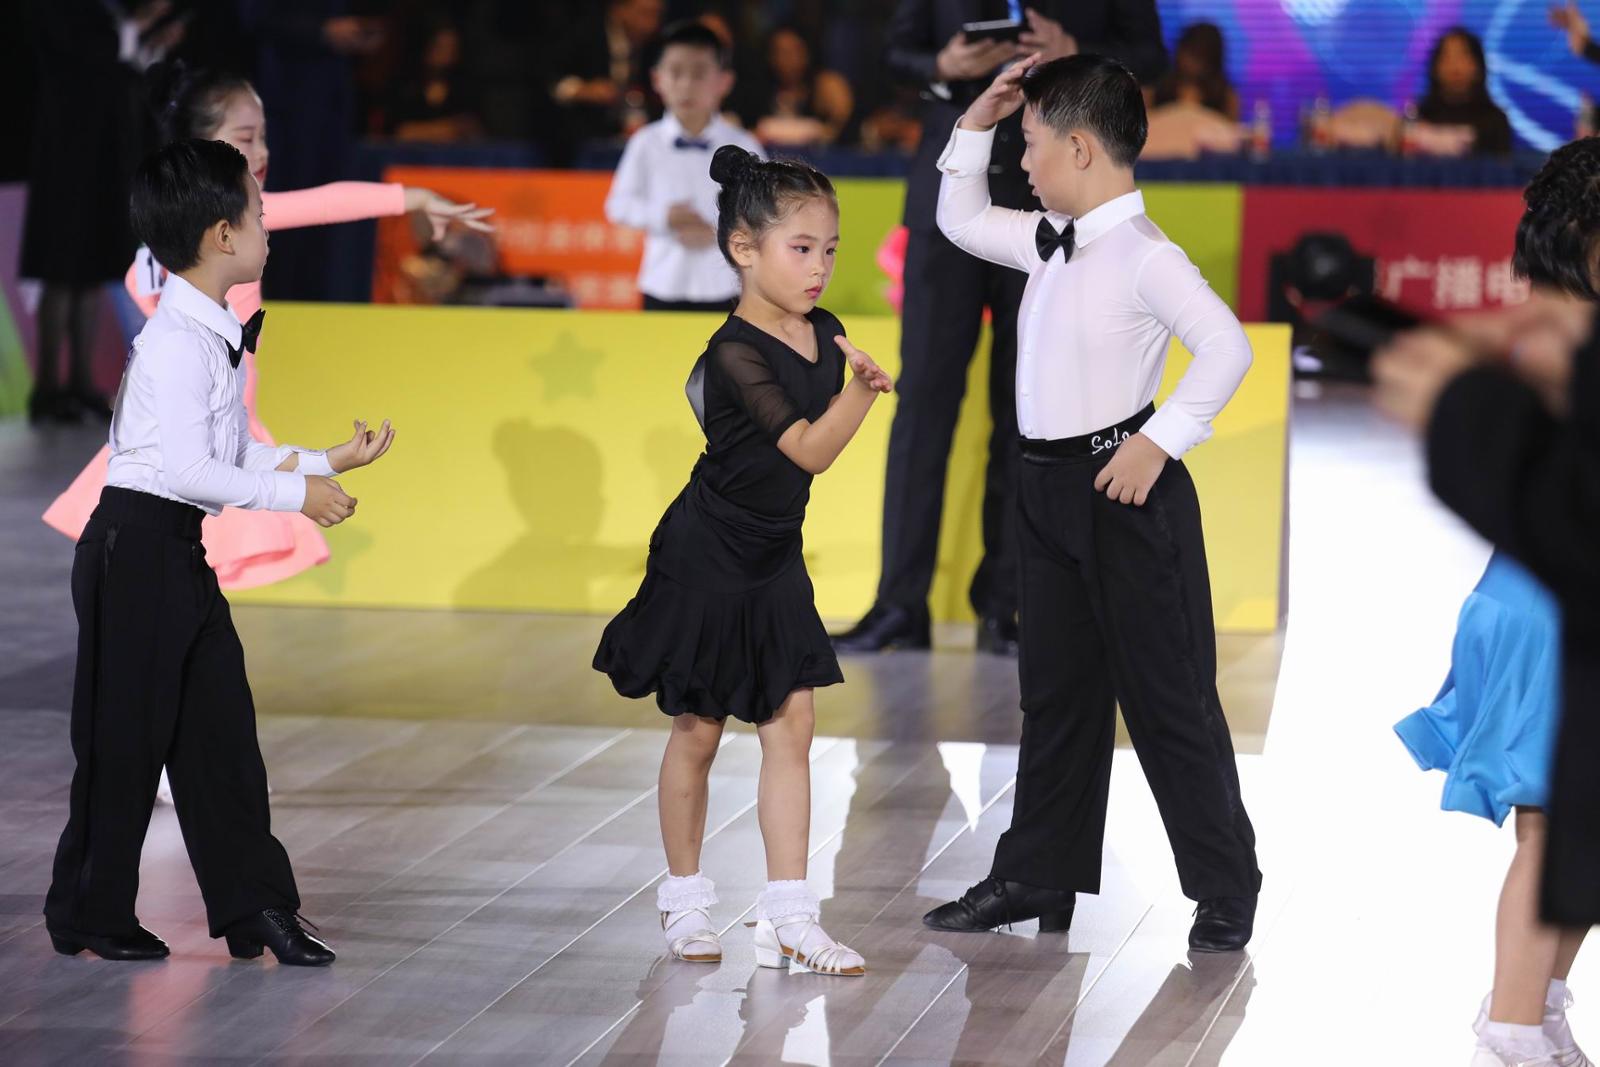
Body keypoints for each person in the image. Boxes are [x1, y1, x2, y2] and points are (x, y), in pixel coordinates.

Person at [919, 54, 1261, 952]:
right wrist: (978, 120)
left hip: (1123, 489)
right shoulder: (1046, 237)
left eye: (1030, 143)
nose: (1021, 162)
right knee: (1055, 695)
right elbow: (957, 217)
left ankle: (1227, 884)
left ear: (1079, 148)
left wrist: (1160, 440)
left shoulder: (1147, 255)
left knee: (1169, 698)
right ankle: (1040, 871)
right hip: (1043, 488)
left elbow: (1226, 346)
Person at [45, 137, 397, 966]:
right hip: (133, 549)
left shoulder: (213, 332)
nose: (268, 225)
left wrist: (325, 460)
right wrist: (299, 497)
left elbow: (232, 454)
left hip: (172, 550)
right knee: (123, 744)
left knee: (222, 736)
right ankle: (89, 910)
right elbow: (187, 471)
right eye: (259, 213)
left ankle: (256, 908)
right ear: (222, 235)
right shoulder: (177, 340)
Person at [593, 145, 893, 976]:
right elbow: (809, 450)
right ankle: (684, 899)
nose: (820, 266)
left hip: (772, 555)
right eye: (801, 248)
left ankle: (789, 914)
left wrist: (851, 378)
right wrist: (862, 392)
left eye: (830, 249)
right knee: (699, 728)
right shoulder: (734, 353)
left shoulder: (826, 331)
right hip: (706, 554)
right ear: (743, 248)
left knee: (792, 724)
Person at [43, 65, 492, 593]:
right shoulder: (228, 229)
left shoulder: (177, 240)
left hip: (206, 431)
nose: (261, 152)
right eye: (245, 137)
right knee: (174, 581)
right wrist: (411, 198)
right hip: (202, 438)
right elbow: (325, 203)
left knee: (184, 583)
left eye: (263, 137)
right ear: (202, 148)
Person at [835, 1, 1166, 657]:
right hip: (947, 199)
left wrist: (1075, 53)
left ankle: (1009, 604)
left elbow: (1151, 56)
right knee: (921, 404)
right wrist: (942, 64)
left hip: (1051, 201)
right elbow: (893, 52)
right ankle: (899, 604)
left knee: (1028, 409)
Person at [1375, 136, 1600, 1066]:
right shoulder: (1569, 331)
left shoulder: (1554, 318)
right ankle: (1510, 1028)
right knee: (1550, 831)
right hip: (1543, 609)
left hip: (1546, 597)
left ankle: (1534, 1011)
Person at [20, 0, 183, 424]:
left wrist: (148, 40)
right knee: (61, 267)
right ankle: (49, 388)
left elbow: (123, 69)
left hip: (103, 150)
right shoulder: (64, 12)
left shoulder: (108, 9)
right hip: (65, 149)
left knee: (91, 267)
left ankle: (81, 383)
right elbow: (75, 53)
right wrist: (138, 26)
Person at [604, 20, 762, 313]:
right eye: (676, 72)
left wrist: (718, 230)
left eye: (699, 73)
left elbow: (764, 211)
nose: (686, 84)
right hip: (662, 282)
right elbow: (618, 205)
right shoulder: (645, 142)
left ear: (724, 81)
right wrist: (665, 217)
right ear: (657, 79)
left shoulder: (743, 143)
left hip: (726, 285)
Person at [749, 26, 854, 146]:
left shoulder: (824, 86)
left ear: (807, 53)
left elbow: (842, 130)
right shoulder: (758, 91)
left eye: (794, 51)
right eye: (780, 52)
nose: (787, 59)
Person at [1417, 27, 1513, 158]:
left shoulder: (1495, 121)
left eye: (1462, 56)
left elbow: (1502, 167)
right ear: (1435, 69)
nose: (1454, 66)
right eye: (1447, 57)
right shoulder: (1419, 118)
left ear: (1478, 66)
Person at [1149, 22, 1237, 120]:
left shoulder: (1226, 98)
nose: (1191, 63)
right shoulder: (1160, 90)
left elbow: (1230, 127)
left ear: (1212, 61)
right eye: (1189, 53)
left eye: (1199, 57)